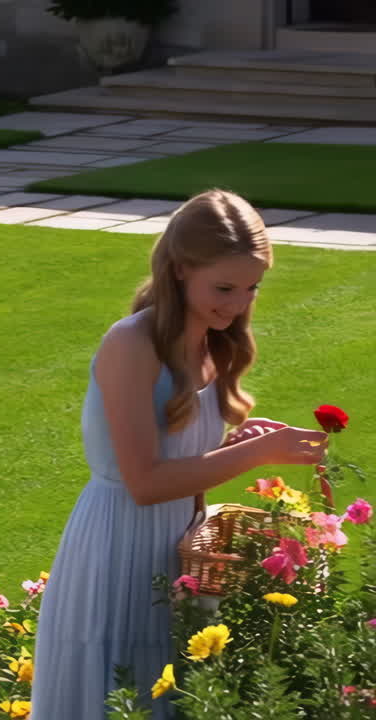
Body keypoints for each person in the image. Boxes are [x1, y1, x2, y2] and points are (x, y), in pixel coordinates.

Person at [30, 189, 330, 718]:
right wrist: (259, 452)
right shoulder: (132, 344)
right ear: (179, 269)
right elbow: (145, 483)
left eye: (250, 288)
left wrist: (232, 444)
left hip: (177, 553)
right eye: (223, 287)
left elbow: (181, 462)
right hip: (116, 549)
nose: (237, 304)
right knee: (119, 695)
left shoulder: (213, 343)